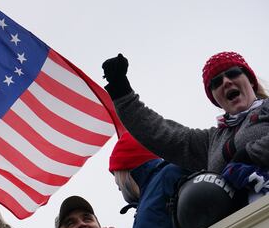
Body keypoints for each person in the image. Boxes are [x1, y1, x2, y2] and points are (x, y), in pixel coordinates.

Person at [101, 51, 268, 177]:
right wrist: (121, 91)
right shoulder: (211, 141)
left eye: (233, 73)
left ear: (251, 81)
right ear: (215, 99)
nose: (226, 82)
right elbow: (161, 134)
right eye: (216, 82)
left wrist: (249, 154)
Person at [93, 133, 187, 228]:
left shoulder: (169, 174)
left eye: (116, 176)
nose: (118, 186)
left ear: (126, 169)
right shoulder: (145, 203)